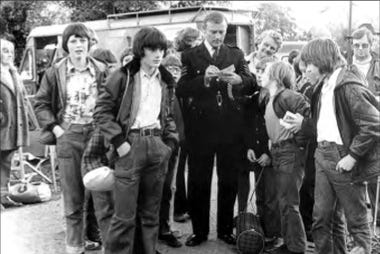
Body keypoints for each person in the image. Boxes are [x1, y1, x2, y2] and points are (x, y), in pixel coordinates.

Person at [288, 38, 380, 254]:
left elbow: (374, 124)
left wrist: (353, 156)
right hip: (322, 154)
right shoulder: (322, 86)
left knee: (356, 221)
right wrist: (304, 124)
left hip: (342, 157)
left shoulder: (348, 86)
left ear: (321, 60)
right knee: (322, 219)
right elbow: (324, 124)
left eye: (308, 65)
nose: (306, 71)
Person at [94, 26, 178, 254]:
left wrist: (168, 144)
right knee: (124, 216)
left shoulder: (165, 80)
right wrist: (120, 142)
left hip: (156, 145)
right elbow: (101, 111)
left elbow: (167, 114)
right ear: (141, 50)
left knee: (151, 214)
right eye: (152, 48)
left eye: (161, 48)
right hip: (130, 145)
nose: (158, 53)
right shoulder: (123, 76)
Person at [177, 11, 255, 246]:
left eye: (221, 32)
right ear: (204, 30)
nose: (218, 36)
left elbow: (252, 82)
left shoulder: (236, 53)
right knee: (199, 181)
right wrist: (204, 81)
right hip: (200, 129)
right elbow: (181, 88)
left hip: (230, 129)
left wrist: (240, 81)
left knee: (228, 181)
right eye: (213, 32)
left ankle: (224, 230)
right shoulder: (190, 56)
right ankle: (199, 232)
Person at [34, 23, 109, 254]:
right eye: (73, 40)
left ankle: (110, 247)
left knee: (102, 197)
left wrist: (106, 131)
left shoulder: (102, 69)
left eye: (82, 40)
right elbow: (41, 104)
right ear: (66, 45)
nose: (78, 45)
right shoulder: (54, 72)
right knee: (73, 199)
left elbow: (110, 102)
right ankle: (75, 248)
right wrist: (57, 130)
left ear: (89, 43)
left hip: (97, 136)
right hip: (69, 135)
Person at [260, 61, 309, 254]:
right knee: (284, 201)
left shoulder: (287, 96)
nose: (262, 74)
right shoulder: (273, 98)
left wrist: (298, 144)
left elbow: (306, 118)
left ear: (275, 75)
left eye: (265, 71)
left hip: (289, 152)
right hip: (280, 151)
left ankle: (296, 247)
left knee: (289, 202)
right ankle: (290, 244)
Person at [242, 56, 283, 249]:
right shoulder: (256, 95)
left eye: (263, 72)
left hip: (271, 155)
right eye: (257, 71)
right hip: (257, 153)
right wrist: (250, 146)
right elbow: (251, 125)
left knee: (271, 198)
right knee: (259, 194)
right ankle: (261, 231)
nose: (259, 75)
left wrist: (270, 154)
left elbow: (278, 130)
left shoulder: (277, 98)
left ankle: (273, 234)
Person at [157, 54, 184, 248]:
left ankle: (165, 226)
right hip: (161, 145)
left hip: (175, 145)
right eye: (170, 69)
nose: (174, 73)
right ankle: (158, 230)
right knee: (160, 188)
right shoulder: (161, 88)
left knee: (169, 187)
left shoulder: (178, 90)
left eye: (177, 69)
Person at [0, 34, 29, 209]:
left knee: (6, 159)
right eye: (5, 51)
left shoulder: (13, 72)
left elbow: (22, 97)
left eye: (11, 51)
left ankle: (3, 196)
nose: (9, 54)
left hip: (13, 124)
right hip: (2, 123)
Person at [352, 27, 380, 98]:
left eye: (364, 45)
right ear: (352, 46)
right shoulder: (345, 66)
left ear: (370, 45)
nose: (360, 48)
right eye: (356, 45)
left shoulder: (378, 66)